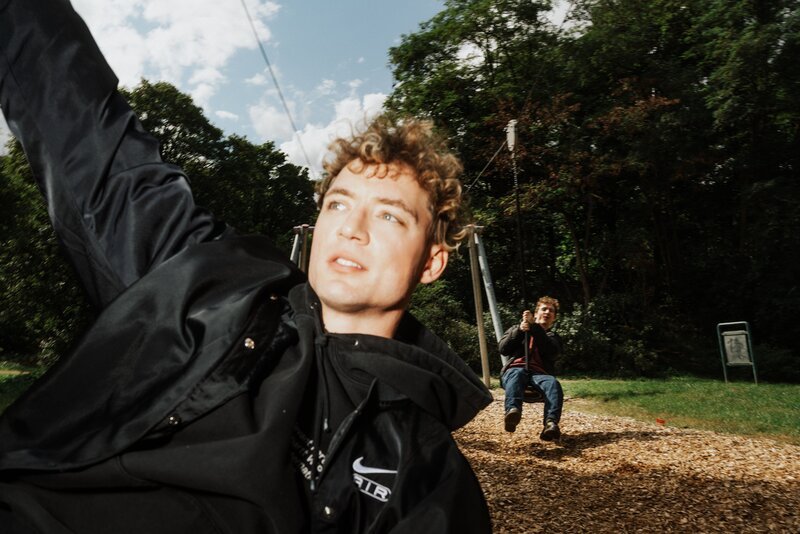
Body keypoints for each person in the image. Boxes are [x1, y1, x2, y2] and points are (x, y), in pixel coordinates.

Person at [0, 1, 493, 532]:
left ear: (431, 263)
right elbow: (89, 137)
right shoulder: (212, 287)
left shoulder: (429, 476)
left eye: (390, 217)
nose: (353, 227)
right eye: (339, 203)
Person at [499, 297, 563, 441]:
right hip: (515, 370)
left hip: (539, 374)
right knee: (518, 372)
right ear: (535, 313)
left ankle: (551, 423)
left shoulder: (553, 337)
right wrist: (520, 331)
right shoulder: (518, 329)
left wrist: (534, 328)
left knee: (553, 383)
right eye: (544, 309)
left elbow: (552, 352)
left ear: (554, 317)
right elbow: (503, 349)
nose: (547, 312)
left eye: (551, 311)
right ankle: (512, 412)